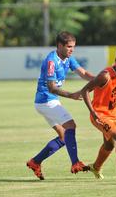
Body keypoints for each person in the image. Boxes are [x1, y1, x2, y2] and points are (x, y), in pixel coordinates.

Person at [26, 31, 94, 180]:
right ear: (60, 45)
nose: (72, 49)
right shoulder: (51, 61)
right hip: (46, 100)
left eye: (73, 47)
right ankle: (75, 163)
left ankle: (35, 162)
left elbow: (83, 73)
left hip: (48, 101)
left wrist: (99, 80)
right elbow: (52, 88)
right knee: (71, 126)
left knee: (64, 138)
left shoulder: (68, 58)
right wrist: (72, 95)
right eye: (69, 47)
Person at [81, 47, 116, 180]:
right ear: (115, 60)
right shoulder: (105, 75)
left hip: (114, 115)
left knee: (110, 145)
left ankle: (95, 167)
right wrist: (93, 112)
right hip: (100, 116)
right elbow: (85, 91)